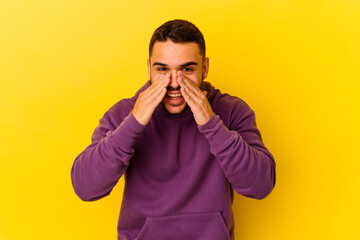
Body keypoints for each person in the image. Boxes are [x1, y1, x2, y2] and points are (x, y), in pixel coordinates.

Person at [71, 19, 276, 240]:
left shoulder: (232, 111)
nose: (175, 82)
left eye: (187, 69)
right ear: (149, 68)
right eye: (162, 69)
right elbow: (86, 187)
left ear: (205, 68)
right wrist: (134, 123)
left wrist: (211, 124)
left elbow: (261, 184)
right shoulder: (123, 114)